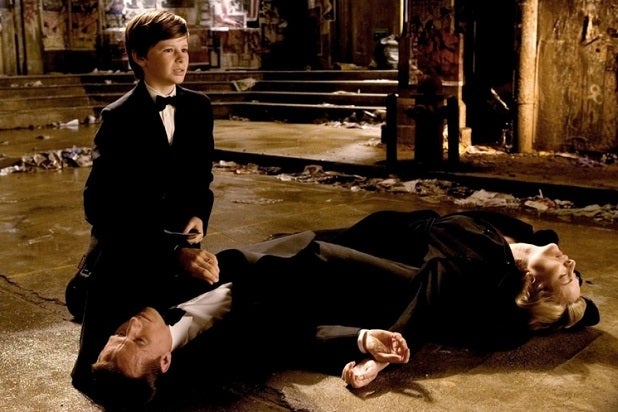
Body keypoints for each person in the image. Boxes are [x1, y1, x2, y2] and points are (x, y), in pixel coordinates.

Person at [84, 209, 600, 409]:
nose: (131, 326)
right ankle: (558, 309)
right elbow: (295, 337)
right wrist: (364, 343)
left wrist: (178, 251)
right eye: (136, 340)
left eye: (118, 333)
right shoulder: (220, 356)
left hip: (347, 241)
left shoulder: (135, 300)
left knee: (468, 274)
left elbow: (105, 261)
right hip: (346, 279)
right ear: (165, 361)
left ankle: (555, 301)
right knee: (464, 291)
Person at [70, 9, 222, 398]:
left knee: (193, 346)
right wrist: (171, 251)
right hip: (125, 247)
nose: (182, 59)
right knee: (92, 374)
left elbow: (201, 179)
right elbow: (98, 208)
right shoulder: (118, 117)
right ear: (140, 57)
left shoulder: (199, 107)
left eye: (184, 49)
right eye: (169, 50)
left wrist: (198, 215)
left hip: (181, 241)